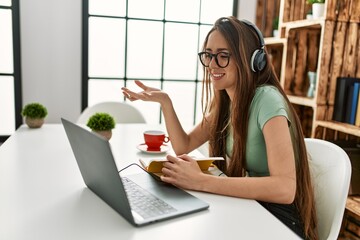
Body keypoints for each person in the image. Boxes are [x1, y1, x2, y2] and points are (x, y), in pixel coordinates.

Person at [121, 16, 317, 239]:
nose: (212, 65)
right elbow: (184, 146)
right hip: (252, 208)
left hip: (279, 221)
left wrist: (202, 181)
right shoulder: (227, 102)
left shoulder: (267, 100)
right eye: (209, 55)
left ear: (253, 60)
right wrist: (165, 102)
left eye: (223, 56)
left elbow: (285, 189)